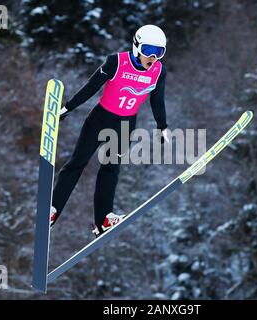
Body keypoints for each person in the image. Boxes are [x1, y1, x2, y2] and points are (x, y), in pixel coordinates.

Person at [49, 24, 170, 237]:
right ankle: (53, 210)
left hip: (125, 124)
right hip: (100, 119)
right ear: (136, 46)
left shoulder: (159, 72)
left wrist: (162, 127)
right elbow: (91, 87)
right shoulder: (116, 62)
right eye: (148, 50)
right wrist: (68, 107)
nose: (152, 57)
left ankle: (103, 220)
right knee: (77, 163)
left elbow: (157, 100)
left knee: (111, 170)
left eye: (158, 52)